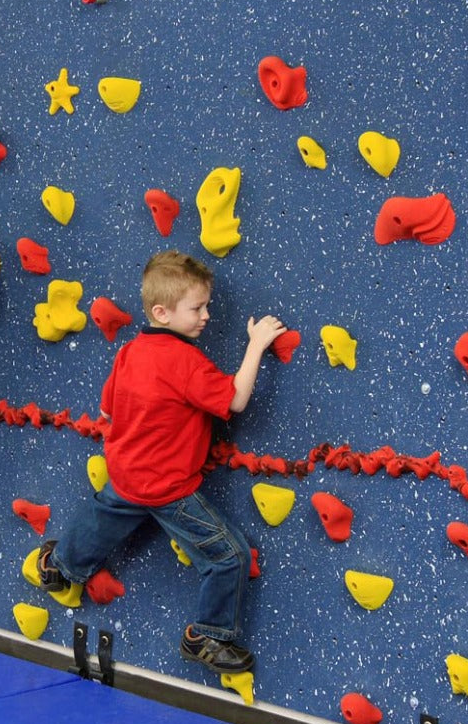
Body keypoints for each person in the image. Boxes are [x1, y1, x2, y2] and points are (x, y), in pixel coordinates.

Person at [35, 249, 286, 675]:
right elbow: (236, 399)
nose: (206, 316)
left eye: (207, 305)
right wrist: (257, 345)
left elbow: (109, 411)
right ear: (162, 312)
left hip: (126, 474)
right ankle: (209, 634)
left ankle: (60, 568)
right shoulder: (186, 361)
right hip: (170, 489)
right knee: (229, 555)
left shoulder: (131, 351)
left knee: (102, 515)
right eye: (198, 308)